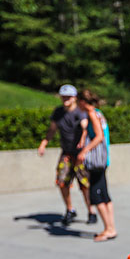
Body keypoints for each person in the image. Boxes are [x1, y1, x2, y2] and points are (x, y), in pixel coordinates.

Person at [37, 84, 95, 226]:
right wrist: (44, 143)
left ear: (74, 98)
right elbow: (52, 130)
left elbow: (85, 126)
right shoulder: (58, 112)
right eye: (63, 97)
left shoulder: (80, 112)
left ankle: (91, 211)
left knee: (84, 184)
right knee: (62, 181)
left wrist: (83, 139)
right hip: (67, 152)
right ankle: (70, 209)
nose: (66, 99)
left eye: (68, 97)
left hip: (80, 153)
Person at [76, 89, 117, 241]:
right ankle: (111, 227)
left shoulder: (92, 114)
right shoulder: (98, 113)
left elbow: (99, 136)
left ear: (82, 102)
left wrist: (84, 151)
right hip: (103, 160)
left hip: (96, 161)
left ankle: (108, 229)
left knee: (96, 195)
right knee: (105, 194)